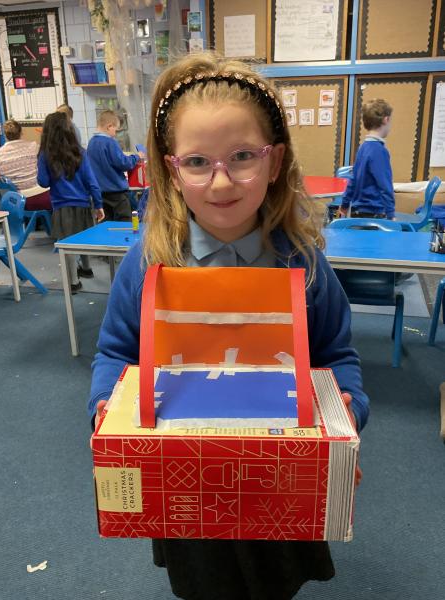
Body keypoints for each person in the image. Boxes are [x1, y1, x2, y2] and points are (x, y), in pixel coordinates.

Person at [89, 52, 369, 600]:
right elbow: (116, 353)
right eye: (197, 162)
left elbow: (338, 356)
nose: (221, 182)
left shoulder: (303, 264)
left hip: (281, 477)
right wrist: (105, 410)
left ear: (275, 159)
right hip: (186, 481)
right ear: (172, 170)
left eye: (242, 156)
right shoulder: (149, 263)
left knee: (276, 580)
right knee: (202, 584)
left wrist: (346, 417)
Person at [37, 112, 104, 293]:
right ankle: (87, 268)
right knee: (83, 237)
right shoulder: (80, 152)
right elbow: (91, 181)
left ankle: (73, 282)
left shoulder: (45, 155)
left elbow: (43, 181)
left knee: (68, 244)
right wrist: (98, 204)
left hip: (62, 207)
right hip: (83, 205)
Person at [339, 98, 395, 220]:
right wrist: (391, 214)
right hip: (373, 214)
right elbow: (385, 186)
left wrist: (345, 204)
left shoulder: (363, 148)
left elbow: (353, 179)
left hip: (357, 212)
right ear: (386, 120)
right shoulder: (380, 151)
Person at [87, 110, 144, 221]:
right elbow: (123, 163)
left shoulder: (91, 143)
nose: (115, 134)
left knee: (105, 224)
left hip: (100, 194)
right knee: (124, 222)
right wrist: (137, 157)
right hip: (116, 193)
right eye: (116, 130)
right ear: (109, 126)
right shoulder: (110, 142)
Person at [0, 119, 51, 211]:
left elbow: (1, 176)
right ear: (21, 132)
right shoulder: (34, 147)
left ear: (5, 135)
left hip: (19, 202)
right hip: (44, 196)